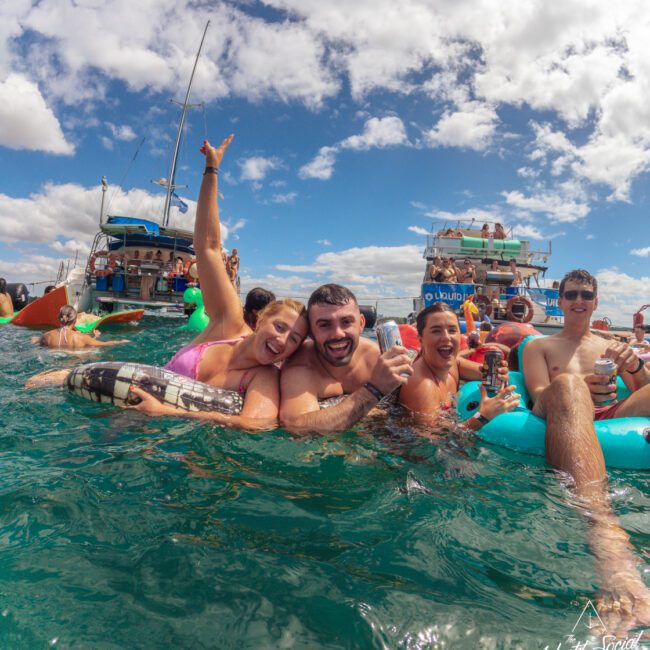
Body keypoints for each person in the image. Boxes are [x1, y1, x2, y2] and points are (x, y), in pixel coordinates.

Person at [127, 136, 309, 430]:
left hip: (184, 452)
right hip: (135, 414)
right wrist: (212, 169)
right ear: (261, 320)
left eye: (295, 339)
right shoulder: (226, 322)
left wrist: (167, 414)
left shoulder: (263, 377)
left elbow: (255, 424)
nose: (283, 340)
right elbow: (209, 247)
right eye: (280, 326)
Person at [522, 269, 650, 632]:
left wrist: (634, 363)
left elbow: (642, 389)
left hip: (609, 416)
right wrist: (579, 385)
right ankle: (606, 537)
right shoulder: (539, 346)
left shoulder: (609, 344)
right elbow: (537, 395)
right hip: (560, 407)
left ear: (596, 302)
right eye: (572, 294)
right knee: (567, 385)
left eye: (586, 295)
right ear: (560, 301)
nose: (579, 300)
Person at [279, 284, 413, 434]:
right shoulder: (301, 368)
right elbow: (296, 426)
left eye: (346, 322)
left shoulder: (378, 357)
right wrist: (374, 390)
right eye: (324, 324)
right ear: (311, 331)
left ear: (361, 324)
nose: (338, 334)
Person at [399, 303, 517, 425]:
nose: (446, 337)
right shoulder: (422, 385)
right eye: (436, 331)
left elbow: (480, 371)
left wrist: (497, 374)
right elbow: (432, 440)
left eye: (452, 330)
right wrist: (483, 416)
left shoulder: (453, 365)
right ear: (421, 340)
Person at [39, 306, 129, 350]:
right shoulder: (81, 337)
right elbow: (104, 344)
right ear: (75, 320)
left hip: (53, 364)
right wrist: (121, 342)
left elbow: (34, 341)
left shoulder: (47, 335)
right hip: (71, 367)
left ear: (59, 318)